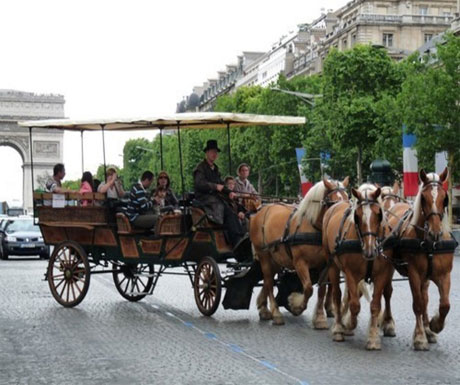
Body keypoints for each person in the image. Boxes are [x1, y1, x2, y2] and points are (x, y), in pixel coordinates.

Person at [193, 140, 244, 247]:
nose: (214, 154)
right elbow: (199, 184)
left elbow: (221, 184)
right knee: (223, 208)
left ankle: (240, 236)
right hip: (204, 198)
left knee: (231, 206)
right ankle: (235, 240)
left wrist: (229, 192)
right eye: (212, 152)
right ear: (206, 153)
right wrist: (215, 186)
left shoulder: (215, 169)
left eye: (216, 152)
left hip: (215, 197)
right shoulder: (200, 168)